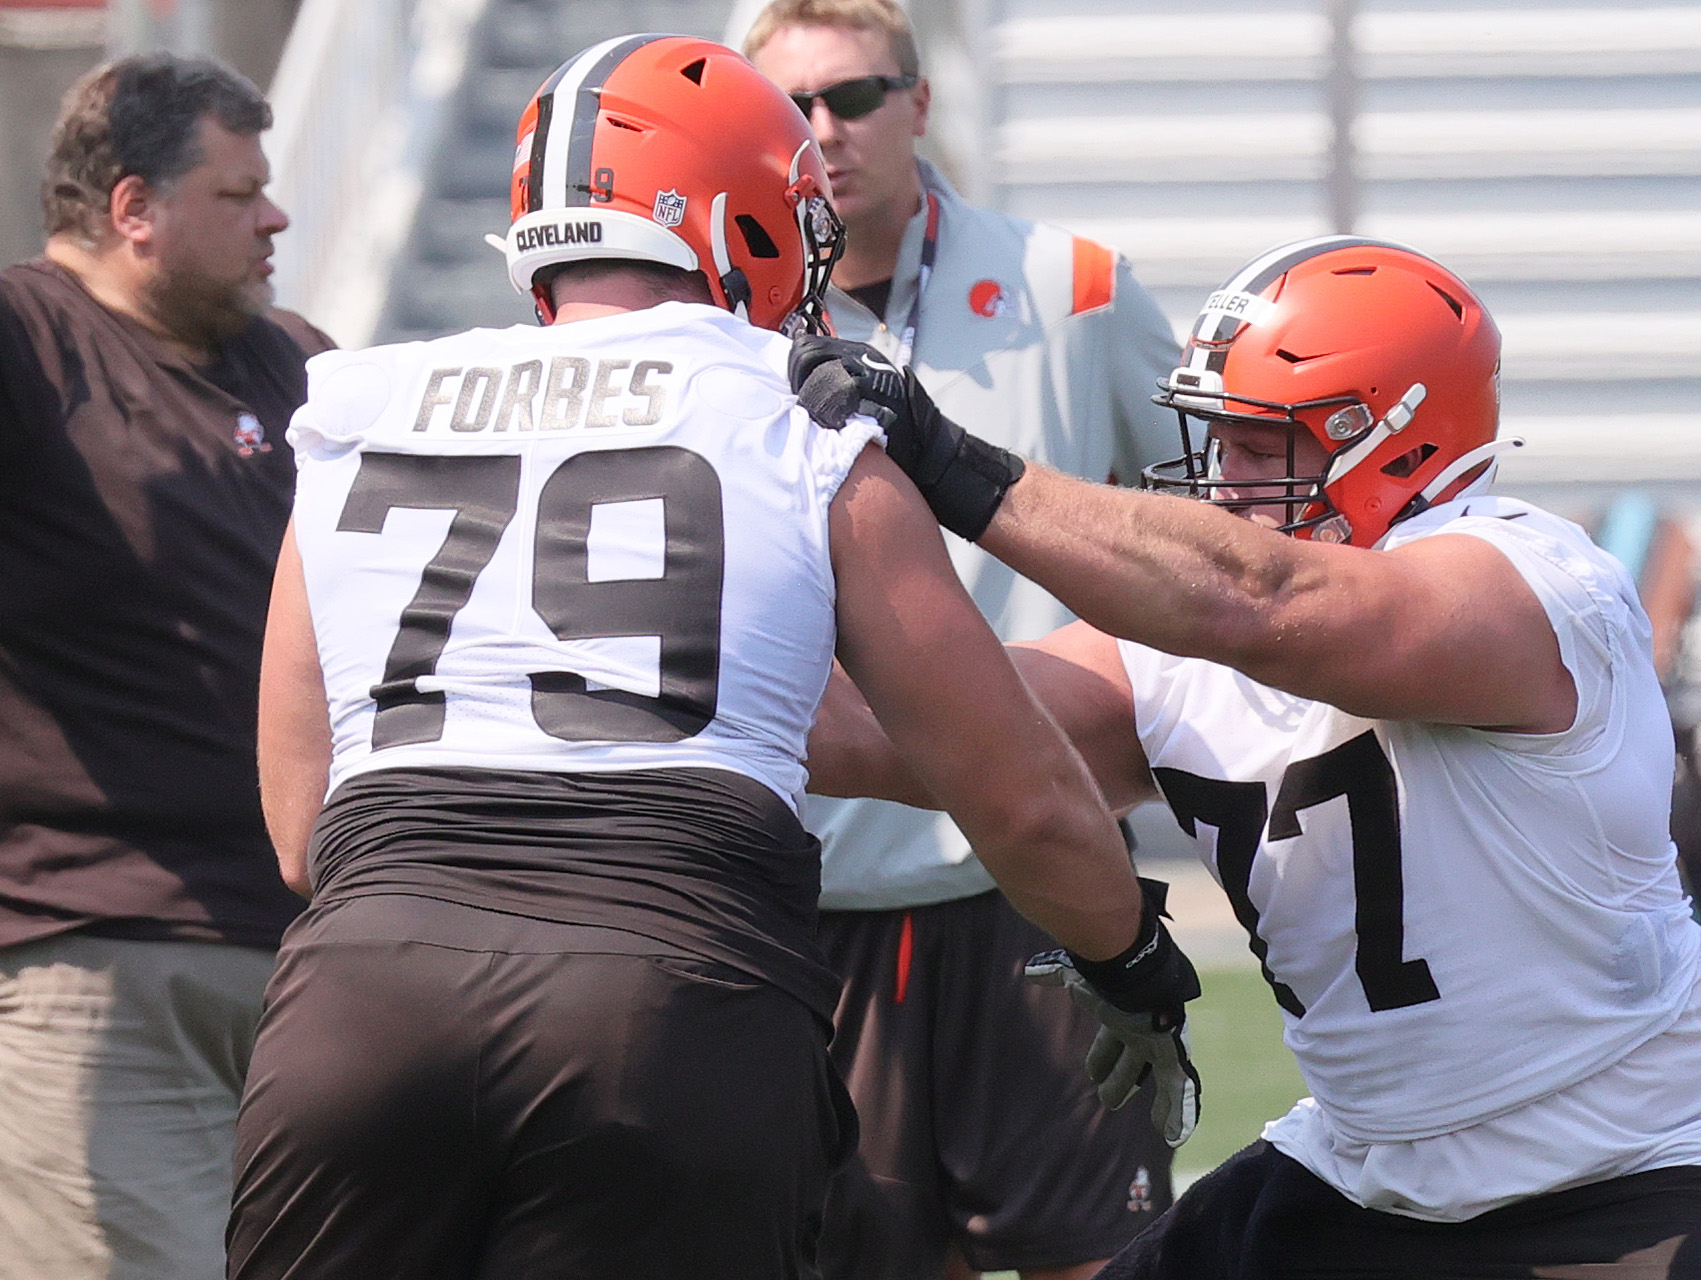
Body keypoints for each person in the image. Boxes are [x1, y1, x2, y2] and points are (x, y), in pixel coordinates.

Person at [225, 35, 1199, 1280]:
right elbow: (1021, 789)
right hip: (664, 992)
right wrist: (1127, 957)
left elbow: (304, 829)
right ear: (739, 214)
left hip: (359, 1001)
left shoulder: (356, 406)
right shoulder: (804, 415)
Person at [796, 234, 1701, 1279]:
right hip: (1368, 1169)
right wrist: (673, 633)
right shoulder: (1183, 643)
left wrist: (951, 462)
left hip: (1628, 1165)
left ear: (1392, 441)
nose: (1221, 477)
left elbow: (1264, 602)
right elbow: (898, 728)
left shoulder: (1533, 579)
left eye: (1256, 444)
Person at [742, 5, 1184, 1276]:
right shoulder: (722, 314)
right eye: (795, 109)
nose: (824, 133)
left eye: (855, 97)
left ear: (920, 105)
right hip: (806, 892)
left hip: (1029, 879)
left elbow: (1191, 537)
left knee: (1102, 1257)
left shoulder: (1075, 285)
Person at [0, 53, 330, 1280]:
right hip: (100, 960)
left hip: (310, 965)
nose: (276, 217)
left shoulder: (294, 362)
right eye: (240, 193)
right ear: (133, 209)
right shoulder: (31, 342)